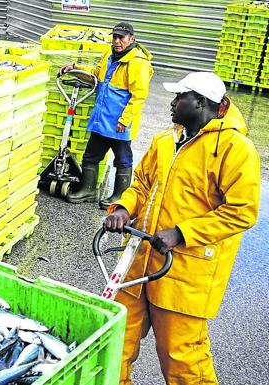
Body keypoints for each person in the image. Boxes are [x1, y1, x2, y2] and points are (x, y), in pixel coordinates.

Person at [104, 72, 260, 384]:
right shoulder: (165, 140)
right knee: (114, 344)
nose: (173, 103)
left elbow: (242, 210)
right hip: (137, 264)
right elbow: (143, 184)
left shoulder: (235, 149)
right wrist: (124, 207)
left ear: (201, 103)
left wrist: (182, 233)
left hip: (184, 274)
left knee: (183, 360)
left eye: (180, 97)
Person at [59, 22, 153, 208]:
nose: (117, 41)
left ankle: (119, 196)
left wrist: (124, 120)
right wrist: (75, 68)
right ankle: (88, 190)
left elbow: (139, 96)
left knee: (123, 159)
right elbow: (96, 77)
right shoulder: (109, 56)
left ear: (132, 39)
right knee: (91, 156)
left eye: (122, 38)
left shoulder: (137, 63)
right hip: (102, 119)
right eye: (115, 37)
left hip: (119, 123)